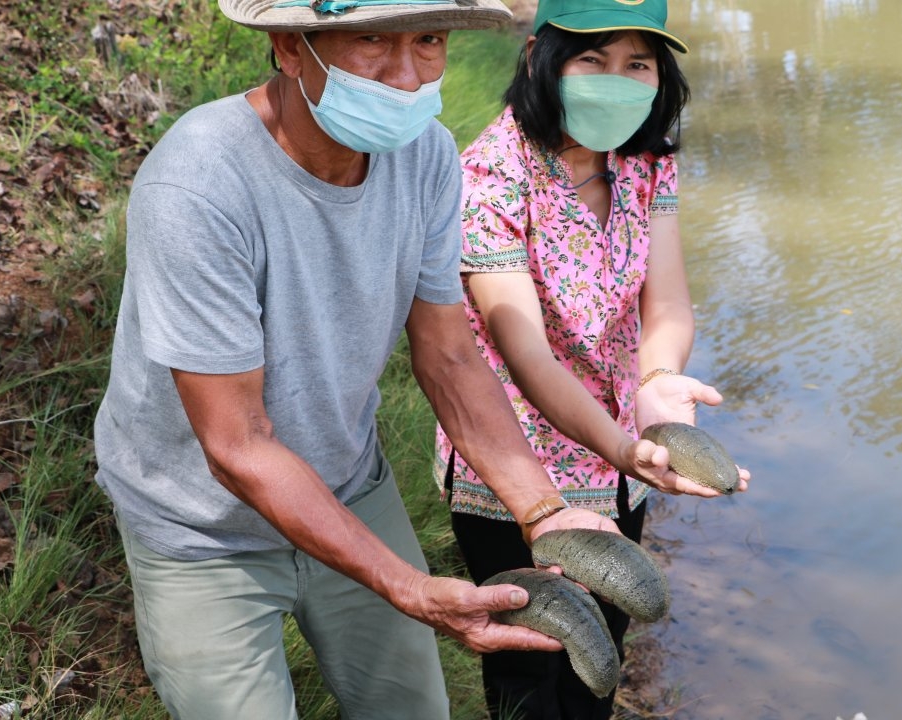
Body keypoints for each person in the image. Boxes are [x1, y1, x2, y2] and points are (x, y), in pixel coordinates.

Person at [91, 0, 625, 717]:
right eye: (371, 38)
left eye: (428, 40)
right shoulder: (199, 180)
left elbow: (449, 358)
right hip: (198, 524)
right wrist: (408, 586)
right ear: (289, 46)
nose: (406, 75)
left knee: (412, 708)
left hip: (347, 482)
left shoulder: (429, 157)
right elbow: (236, 444)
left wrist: (542, 509)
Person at [433, 0, 751, 716]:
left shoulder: (644, 160)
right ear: (540, 58)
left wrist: (658, 381)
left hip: (618, 457)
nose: (618, 80)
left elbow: (665, 306)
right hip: (515, 467)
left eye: (637, 63)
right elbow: (527, 354)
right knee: (533, 665)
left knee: (601, 657)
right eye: (592, 59)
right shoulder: (488, 175)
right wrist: (623, 444)